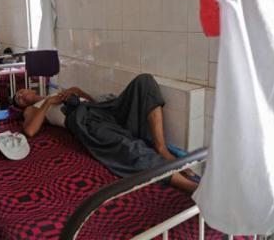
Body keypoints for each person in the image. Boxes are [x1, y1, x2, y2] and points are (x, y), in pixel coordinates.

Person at [13, 74, 198, 192]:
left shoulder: (55, 90)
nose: (22, 95)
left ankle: (161, 147)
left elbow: (91, 101)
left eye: (21, 91)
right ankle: (190, 187)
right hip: (82, 119)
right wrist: (47, 103)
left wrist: (76, 91)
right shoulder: (33, 109)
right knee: (127, 146)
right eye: (19, 99)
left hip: (101, 109)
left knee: (145, 81)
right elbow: (30, 130)